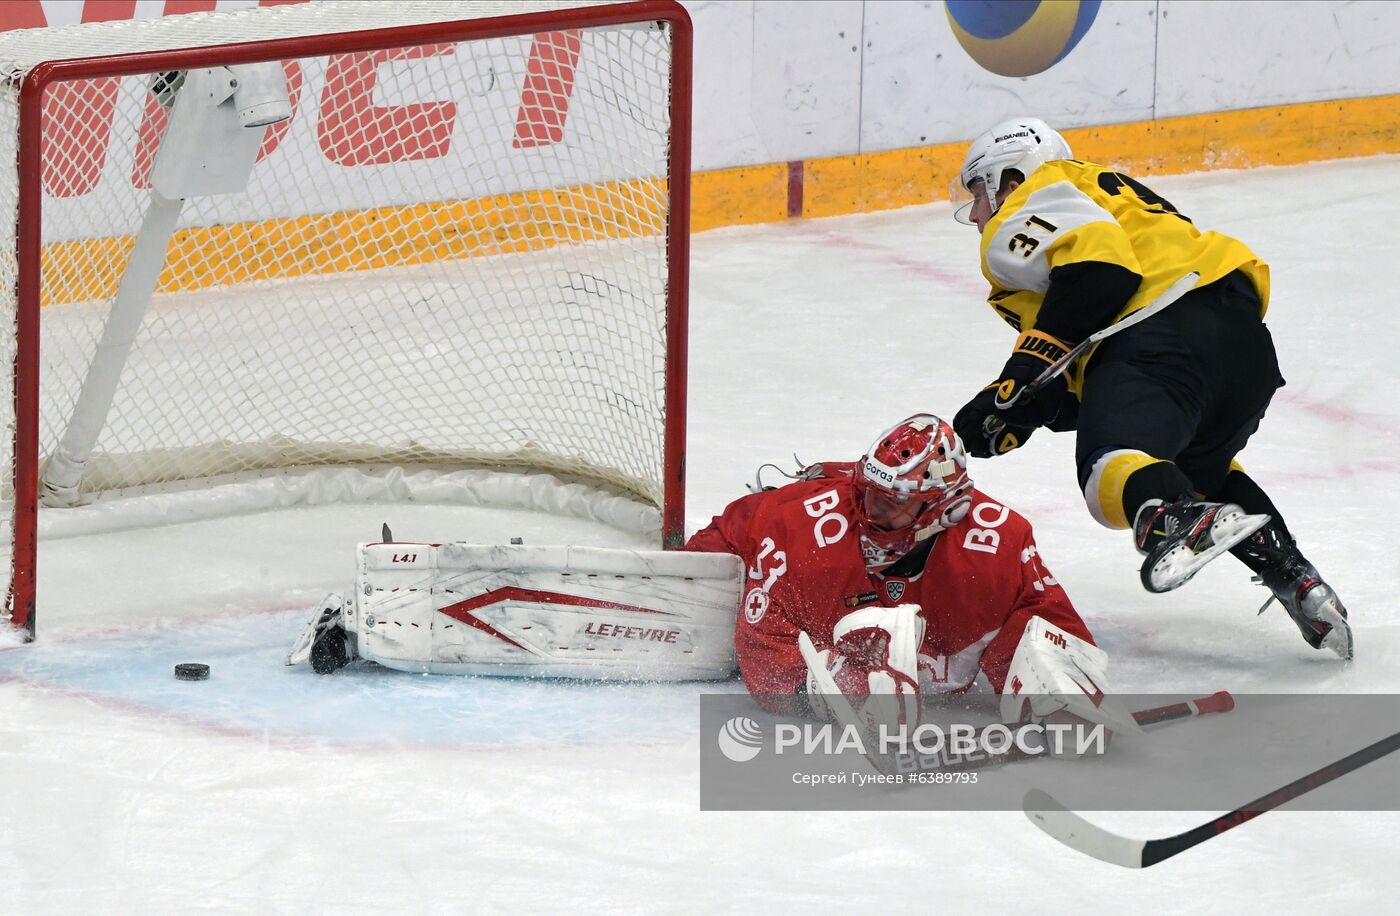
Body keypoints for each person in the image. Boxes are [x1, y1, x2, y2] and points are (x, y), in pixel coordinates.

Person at [946, 116, 1352, 659]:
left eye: (979, 191)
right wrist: (1022, 405)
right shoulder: (1105, 196)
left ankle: (1171, 517)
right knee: (1197, 470)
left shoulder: (1032, 201)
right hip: (1242, 348)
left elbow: (1103, 273)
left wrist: (1018, 375)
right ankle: (1295, 578)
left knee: (1107, 467)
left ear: (1011, 178)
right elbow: (1087, 356)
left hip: (1162, 335)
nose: (975, 213)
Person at [684, 412, 1139, 741]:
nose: (868, 512)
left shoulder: (999, 542)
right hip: (742, 536)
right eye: (867, 492)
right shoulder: (800, 530)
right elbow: (765, 652)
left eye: (891, 503)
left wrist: (1065, 693)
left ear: (946, 510)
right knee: (715, 581)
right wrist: (824, 694)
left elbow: (1051, 625)